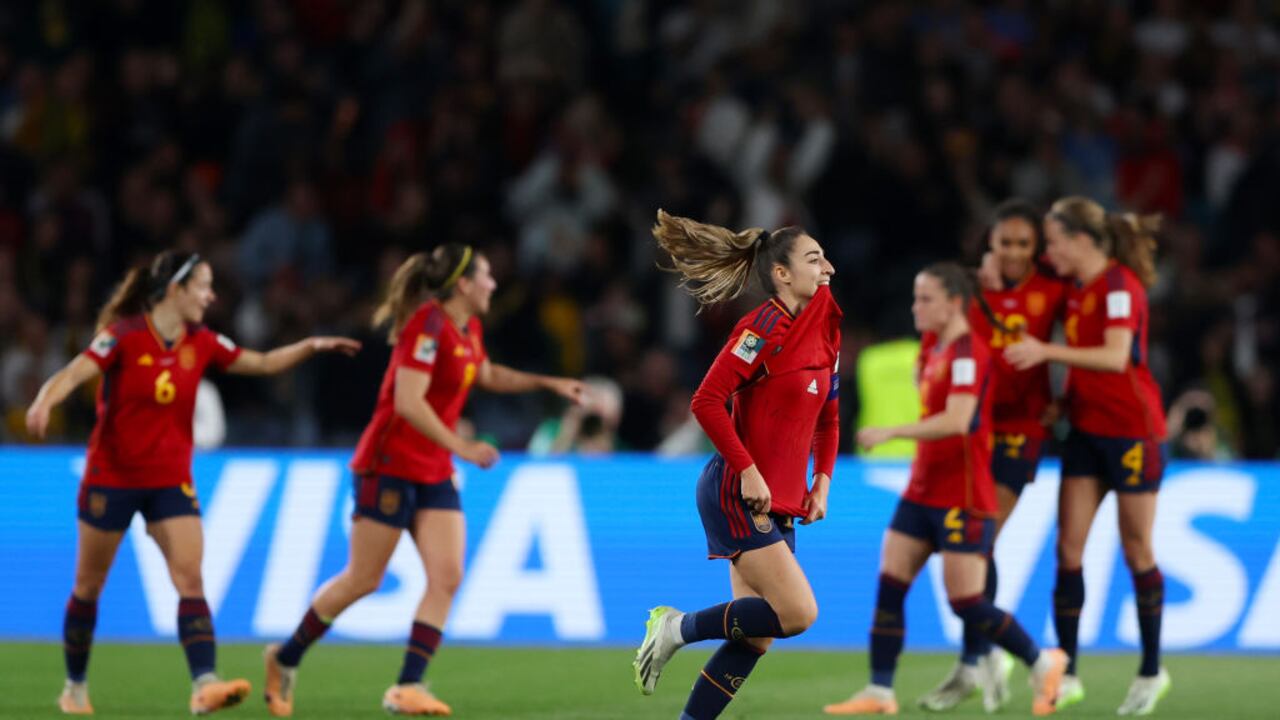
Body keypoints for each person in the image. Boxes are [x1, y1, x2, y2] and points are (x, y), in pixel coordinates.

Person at [24, 250, 360, 715]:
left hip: (169, 482)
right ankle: (74, 686)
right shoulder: (122, 336)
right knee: (88, 587)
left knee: (190, 580)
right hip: (112, 478)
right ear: (175, 290)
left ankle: (205, 683)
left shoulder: (201, 342)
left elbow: (260, 363)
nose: (211, 295)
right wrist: (44, 402)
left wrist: (311, 346)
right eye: (203, 285)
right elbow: (73, 373)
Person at [262, 244, 585, 717]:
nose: (494, 284)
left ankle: (407, 686)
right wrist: (464, 447)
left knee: (447, 575)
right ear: (464, 284)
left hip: (433, 470)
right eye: (488, 276)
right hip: (389, 464)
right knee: (363, 579)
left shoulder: (467, 327)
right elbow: (410, 403)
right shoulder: (426, 326)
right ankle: (284, 656)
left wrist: (548, 383)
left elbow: (487, 372)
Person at [823, 262, 1067, 717]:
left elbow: (958, 420)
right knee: (891, 581)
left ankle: (1041, 660)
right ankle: (879, 691)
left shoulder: (970, 353)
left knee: (966, 601)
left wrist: (891, 431)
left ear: (955, 303)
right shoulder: (932, 348)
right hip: (922, 487)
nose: (916, 307)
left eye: (926, 298)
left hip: (963, 491)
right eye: (916, 298)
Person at [633, 210, 841, 720]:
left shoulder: (827, 328)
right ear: (782, 275)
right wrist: (747, 469)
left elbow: (829, 418)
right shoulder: (762, 327)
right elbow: (706, 400)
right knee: (798, 613)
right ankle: (675, 627)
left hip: (784, 498)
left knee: (759, 636)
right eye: (814, 260)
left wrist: (823, 481)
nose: (828, 268)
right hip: (737, 489)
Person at [1004, 197, 1170, 715]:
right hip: (1086, 431)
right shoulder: (1077, 291)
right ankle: (1069, 669)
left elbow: (1116, 356)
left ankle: (1150, 669)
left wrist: (1048, 351)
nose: (1047, 251)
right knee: (1068, 550)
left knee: (1137, 549)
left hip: (1132, 433)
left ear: (1081, 240)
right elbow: (1087, 363)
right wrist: (1061, 400)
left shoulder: (1120, 286)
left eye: (1052, 241)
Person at [919, 200, 1067, 713]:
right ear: (990, 244)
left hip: (1022, 431)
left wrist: (1061, 401)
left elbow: (1076, 345)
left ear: (1037, 248)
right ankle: (983, 656)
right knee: (977, 546)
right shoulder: (972, 291)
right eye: (1005, 243)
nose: (1013, 253)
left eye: (1023, 244)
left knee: (978, 545)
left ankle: (980, 657)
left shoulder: (1052, 290)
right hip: (977, 430)